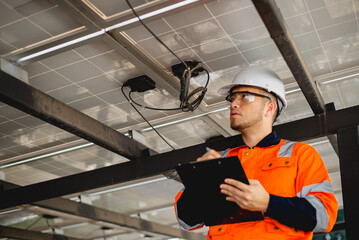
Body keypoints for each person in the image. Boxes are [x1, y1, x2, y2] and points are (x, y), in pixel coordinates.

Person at [174, 66, 338, 239]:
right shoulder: (219, 160)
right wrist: (199, 182)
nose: (234, 104)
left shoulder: (300, 154)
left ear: (270, 107)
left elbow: (324, 217)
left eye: (245, 96)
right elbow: (187, 220)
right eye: (233, 98)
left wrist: (269, 203)